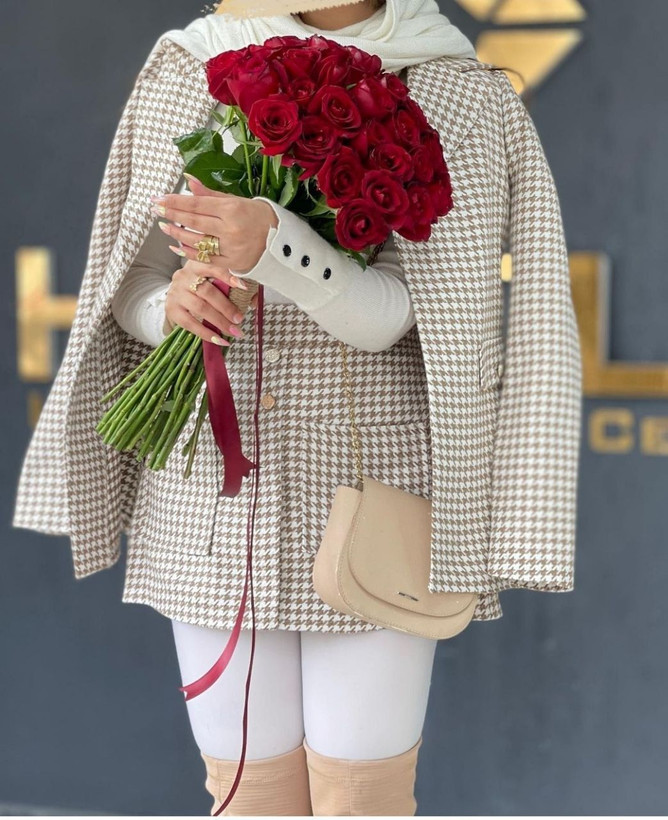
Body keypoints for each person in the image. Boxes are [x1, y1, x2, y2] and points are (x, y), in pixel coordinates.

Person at [12, 0, 583, 815]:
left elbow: (409, 315)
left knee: (362, 796)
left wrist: (277, 242)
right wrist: (172, 308)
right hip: (208, 494)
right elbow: (130, 281)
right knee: (244, 794)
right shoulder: (192, 67)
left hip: (376, 489)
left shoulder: (458, 90)